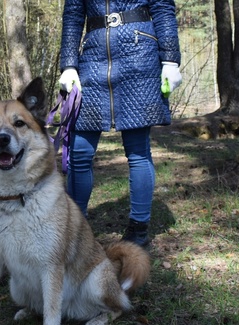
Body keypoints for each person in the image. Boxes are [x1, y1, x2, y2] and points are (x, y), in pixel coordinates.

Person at [59, 0, 182, 246]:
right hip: (91, 60)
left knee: (138, 150)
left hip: (140, 57)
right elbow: (73, 15)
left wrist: (170, 59)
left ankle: (138, 231)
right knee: (80, 151)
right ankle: (75, 227)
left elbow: (162, 7)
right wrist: (69, 65)